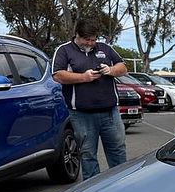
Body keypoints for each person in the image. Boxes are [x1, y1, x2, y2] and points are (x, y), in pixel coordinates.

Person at [51, 18, 130, 179]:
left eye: (94, 39)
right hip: (81, 115)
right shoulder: (64, 50)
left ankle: (122, 186)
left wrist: (111, 70)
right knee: (88, 155)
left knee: (118, 151)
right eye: (87, 39)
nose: (91, 43)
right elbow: (57, 75)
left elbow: (123, 67)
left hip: (110, 113)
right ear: (77, 35)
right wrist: (84, 77)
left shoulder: (105, 49)